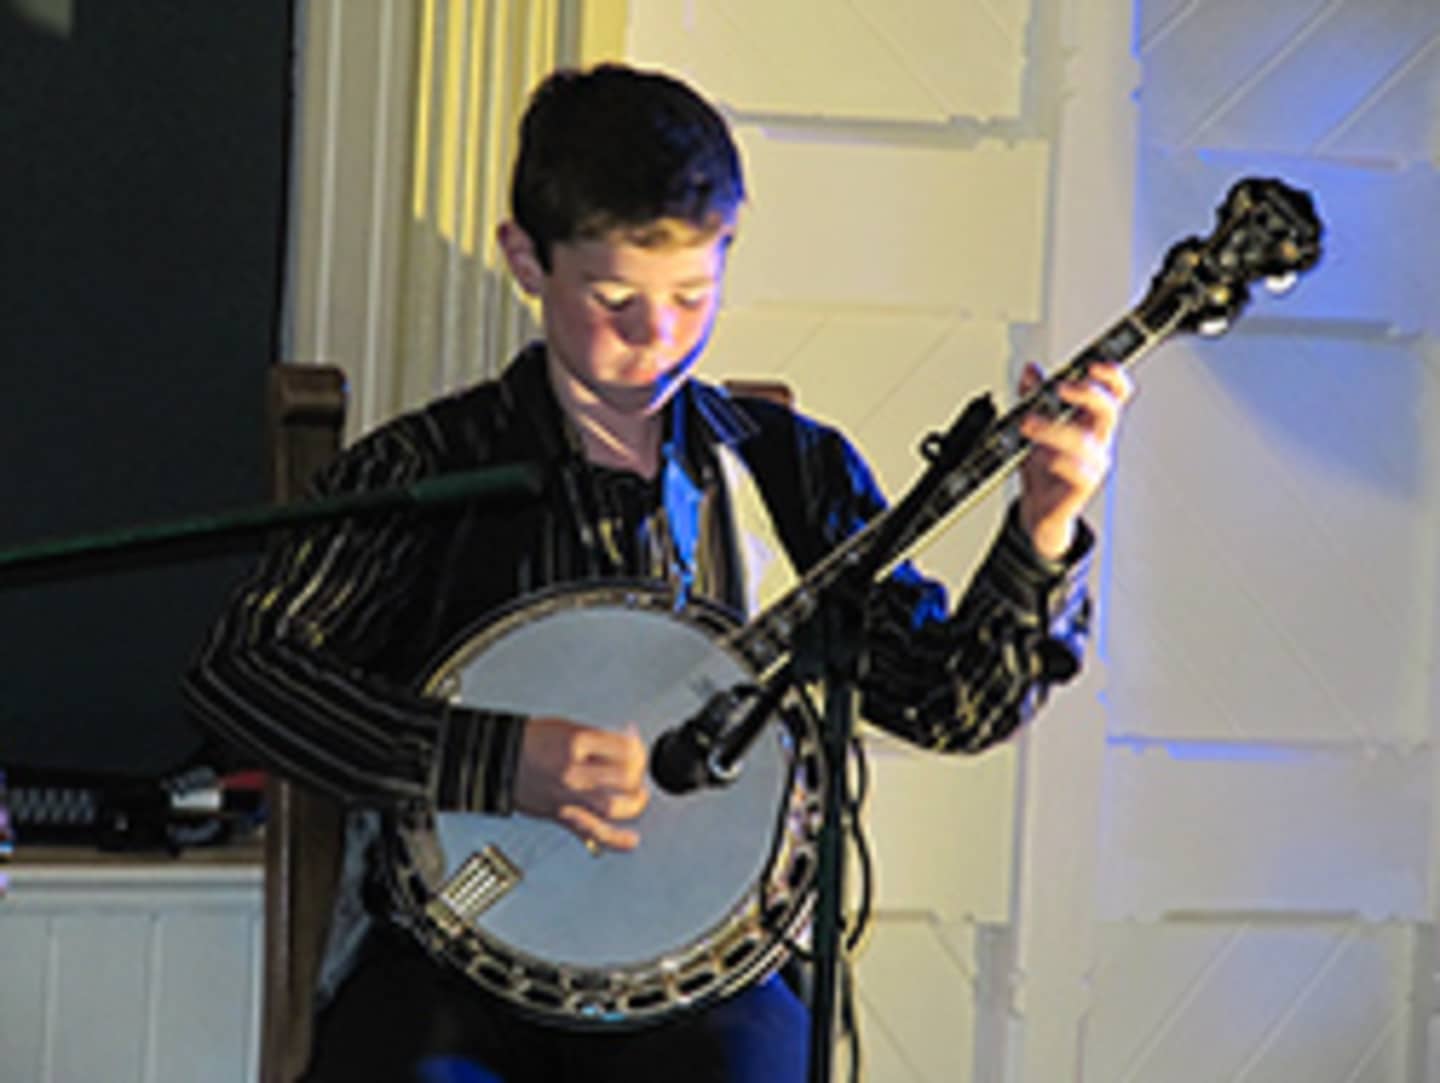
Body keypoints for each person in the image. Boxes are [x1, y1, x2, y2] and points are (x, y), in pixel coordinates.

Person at [184, 62, 1132, 1083]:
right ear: (527, 260)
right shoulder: (429, 472)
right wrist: (496, 760)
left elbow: (949, 704)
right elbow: (243, 679)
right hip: (453, 978)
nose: (659, 337)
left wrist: (1045, 525)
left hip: (707, 988)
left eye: (693, 295)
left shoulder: (788, 472)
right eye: (615, 297)